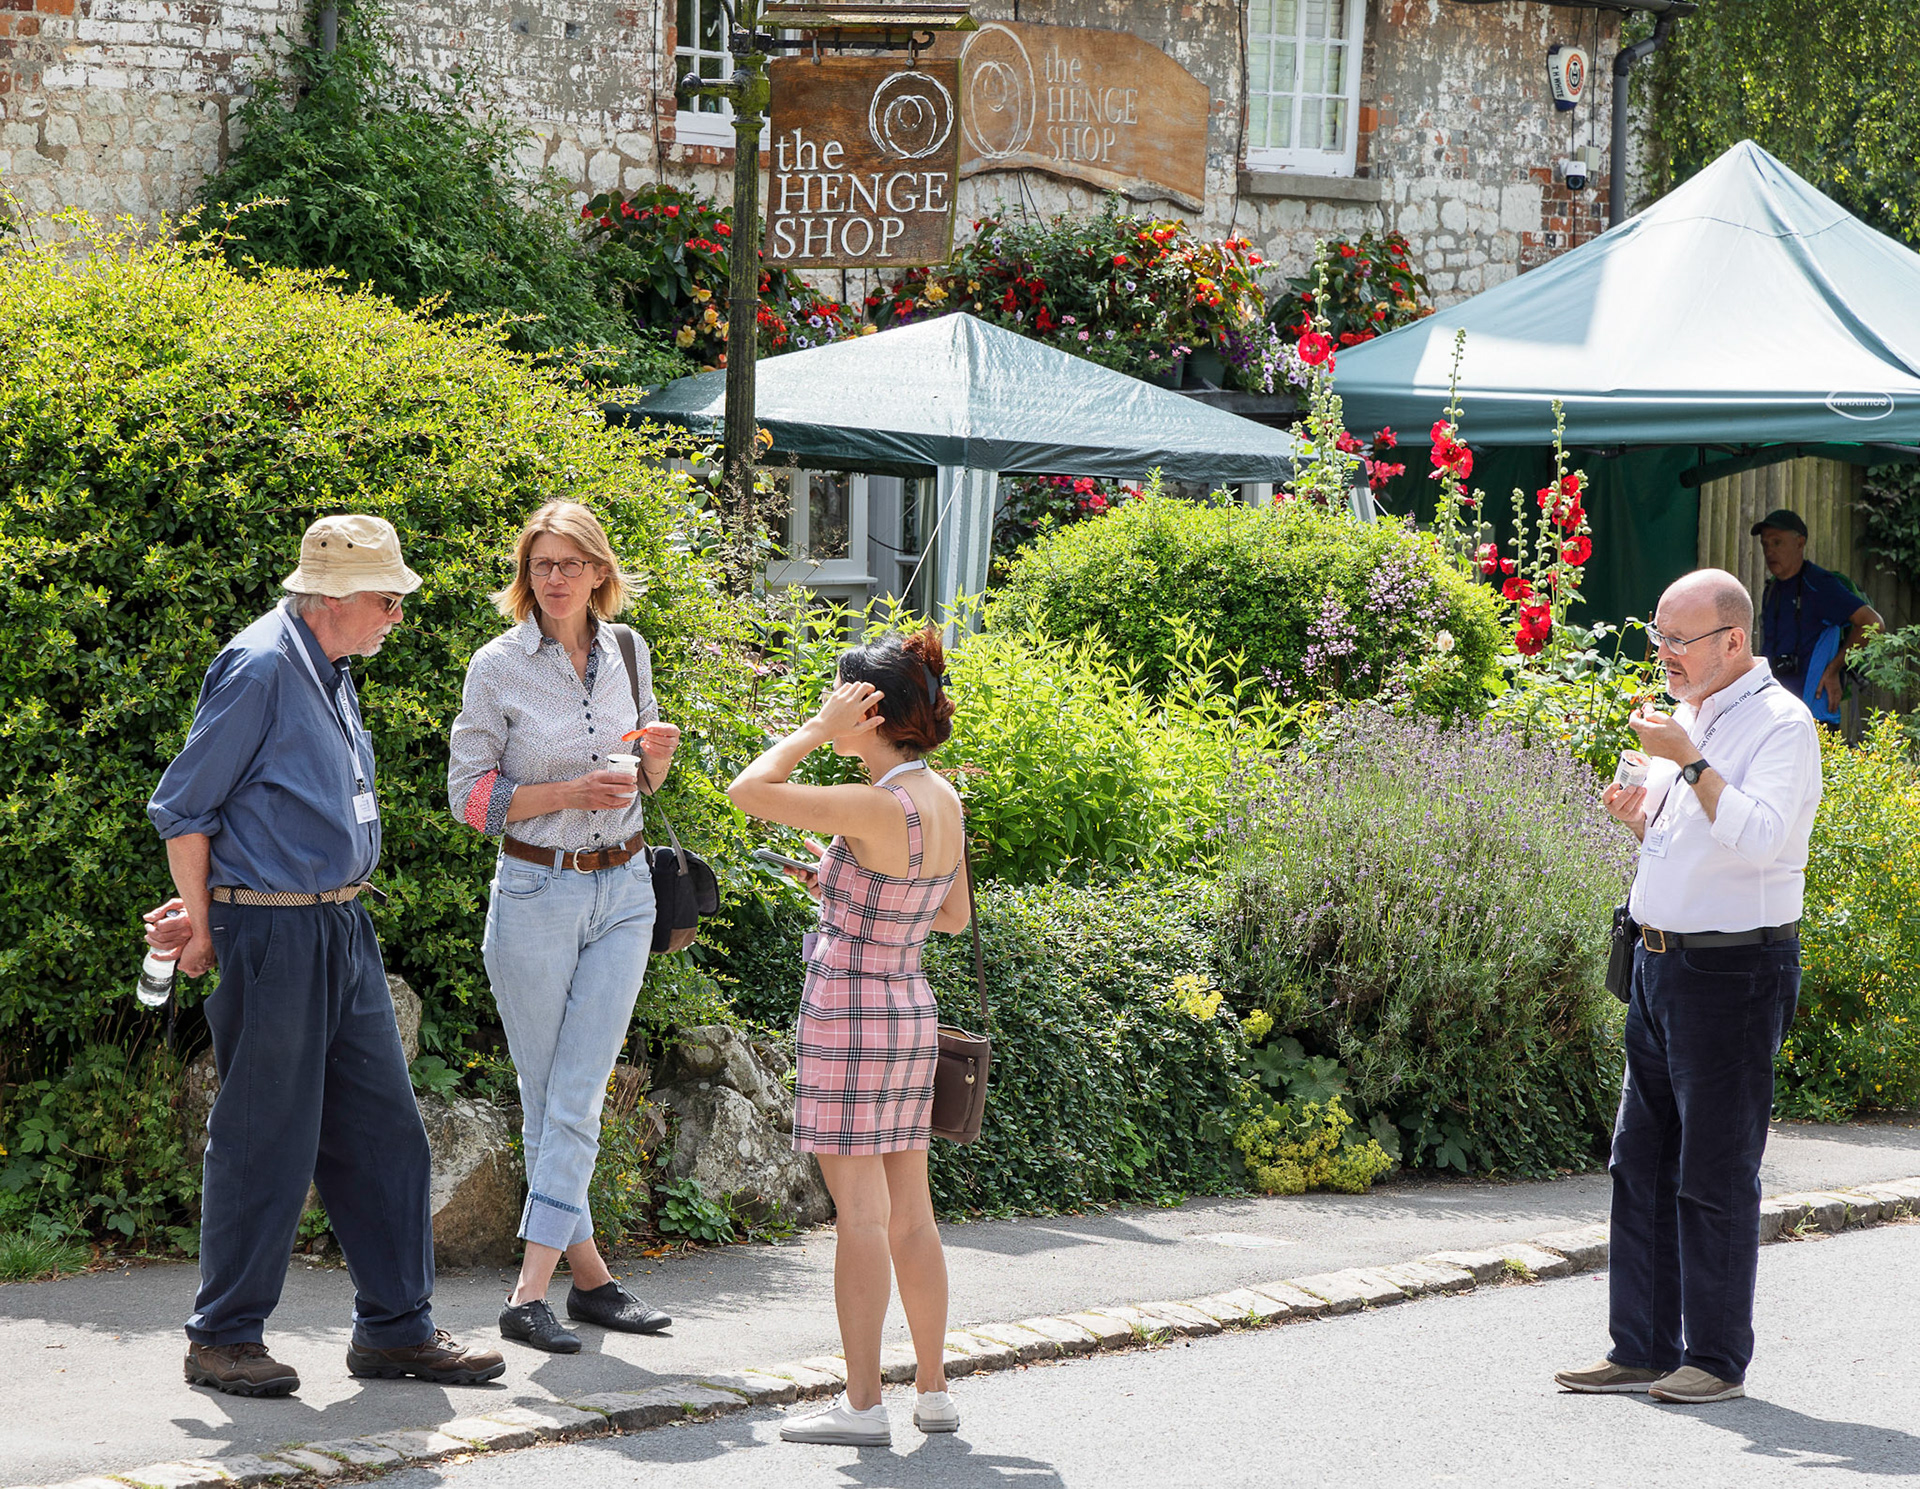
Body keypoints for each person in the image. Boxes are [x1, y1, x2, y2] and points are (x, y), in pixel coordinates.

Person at [143, 514, 505, 1397]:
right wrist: (199, 926)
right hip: (269, 927)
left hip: (339, 923)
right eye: (388, 600)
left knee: (386, 1132)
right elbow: (184, 808)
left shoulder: (329, 665)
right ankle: (221, 1336)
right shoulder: (263, 665)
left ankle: (396, 1329)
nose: (396, 616)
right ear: (334, 599)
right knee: (266, 1138)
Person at [1557, 568, 1821, 1405]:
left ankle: (1714, 1357)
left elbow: (1763, 838)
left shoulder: (1781, 725)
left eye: (1680, 639)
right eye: (1659, 637)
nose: (1664, 654)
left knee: (1713, 1171)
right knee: (1639, 1161)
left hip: (1733, 970)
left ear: (1733, 640)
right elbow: (1693, 831)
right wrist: (1643, 818)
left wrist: (1693, 761)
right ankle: (1639, 1345)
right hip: (1658, 959)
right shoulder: (1688, 715)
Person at [725, 628, 971, 1448]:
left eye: (841, 699)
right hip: (908, 1005)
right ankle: (932, 1391)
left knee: (859, 1214)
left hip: (848, 1011)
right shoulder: (940, 799)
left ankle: (861, 1405)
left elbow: (746, 790)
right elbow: (951, 912)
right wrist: (845, 880)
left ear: (867, 712)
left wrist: (809, 734)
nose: (832, 709)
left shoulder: (871, 801)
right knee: (913, 1213)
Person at [447, 500, 679, 1354]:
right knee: (559, 1101)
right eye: (542, 564)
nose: (555, 579)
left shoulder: (627, 647)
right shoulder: (496, 666)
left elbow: (645, 776)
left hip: (625, 890)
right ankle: (581, 1284)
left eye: (571, 563)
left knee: (574, 1094)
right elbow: (469, 798)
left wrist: (655, 757)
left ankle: (535, 1291)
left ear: (598, 571)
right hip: (536, 897)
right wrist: (566, 794)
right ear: (525, 574)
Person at [1752, 507, 1881, 723]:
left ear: (1800, 543)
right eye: (1765, 544)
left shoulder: (1819, 584)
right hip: (1775, 711)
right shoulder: (1772, 588)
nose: (1769, 551)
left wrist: (1834, 669)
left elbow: (1873, 623)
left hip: (1813, 713)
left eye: (1777, 542)